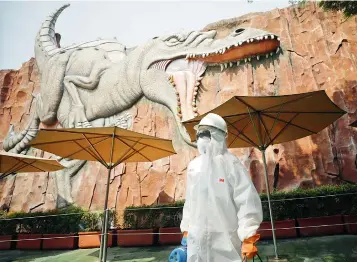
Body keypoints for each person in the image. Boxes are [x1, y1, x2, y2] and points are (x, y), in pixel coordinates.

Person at [180, 113, 263, 262]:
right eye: (199, 134)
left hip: (226, 245)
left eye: (206, 134)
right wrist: (186, 229)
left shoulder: (232, 165)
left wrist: (248, 236)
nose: (201, 139)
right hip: (197, 244)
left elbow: (246, 202)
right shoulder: (194, 167)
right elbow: (190, 203)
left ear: (218, 135)